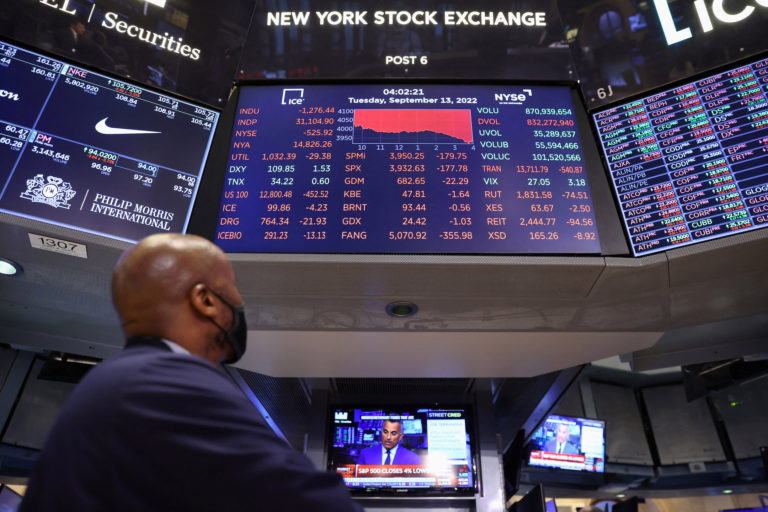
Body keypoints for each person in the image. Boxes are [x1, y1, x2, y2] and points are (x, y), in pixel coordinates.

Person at [20, 233, 362, 512]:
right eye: (235, 292)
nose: (240, 305)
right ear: (207, 301)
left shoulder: (121, 378)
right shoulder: (163, 383)